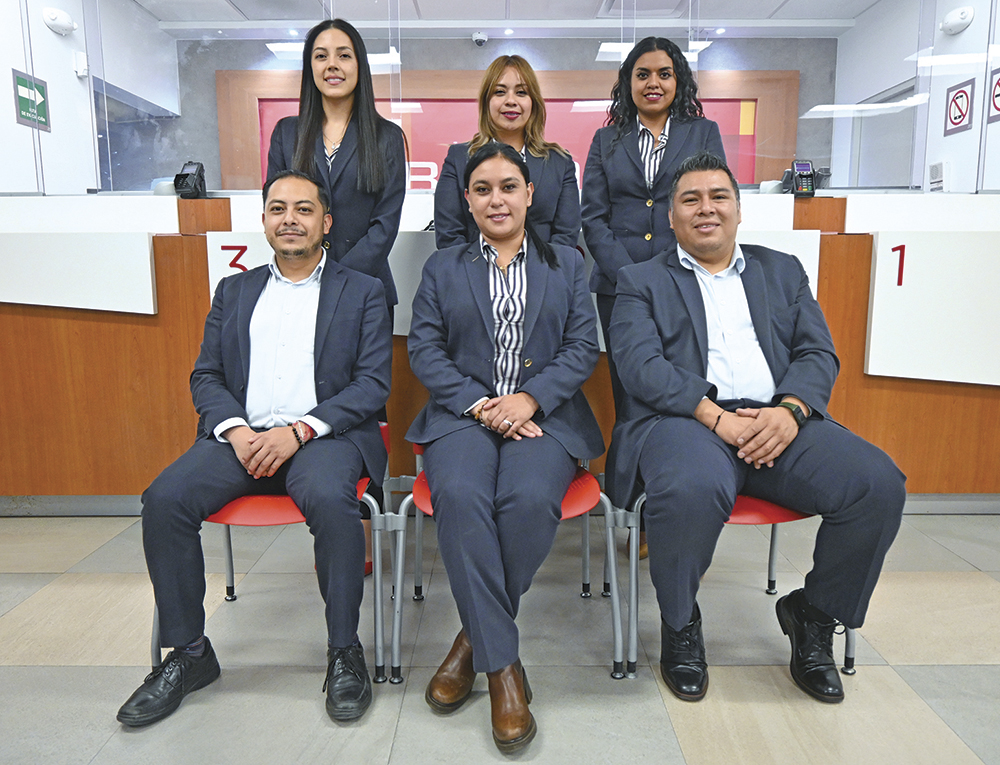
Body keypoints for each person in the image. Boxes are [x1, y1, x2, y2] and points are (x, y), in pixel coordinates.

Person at [606, 151, 906, 705]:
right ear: (671, 216)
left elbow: (817, 351)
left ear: (739, 210)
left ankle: (813, 615)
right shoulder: (639, 280)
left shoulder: (782, 270)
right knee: (689, 488)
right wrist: (715, 417)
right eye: (690, 199)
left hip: (777, 420)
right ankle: (680, 623)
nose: (706, 209)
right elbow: (639, 365)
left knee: (878, 485)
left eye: (718, 197)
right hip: (687, 421)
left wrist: (790, 411)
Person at [116, 170, 392, 727]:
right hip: (240, 439)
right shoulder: (234, 291)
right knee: (164, 500)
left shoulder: (362, 291)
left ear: (326, 222)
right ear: (264, 220)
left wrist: (300, 431)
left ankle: (344, 650)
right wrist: (237, 431)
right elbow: (207, 375)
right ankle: (190, 654)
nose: (290, 219)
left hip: (323, 438)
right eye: (278, 208)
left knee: (332, 501)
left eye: (304, 209)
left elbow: (372, 384)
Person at [407, 143, 603, 752]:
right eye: (483, 189)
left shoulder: (567, 264)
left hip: (545, 417)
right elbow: (424, 350)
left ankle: (471, 644)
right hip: (462, 415)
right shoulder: (443, 267)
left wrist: (530, 399)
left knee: (527, 501)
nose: (497, 199)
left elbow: (582, 346)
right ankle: (504, 671)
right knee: (462, 496)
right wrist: (482, 404)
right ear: (466, 200)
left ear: (529, 194)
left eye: (508, 186)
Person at [267, 18, 406, 571]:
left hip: (366, 291)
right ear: (310, 67)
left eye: (344, 54)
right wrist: (312, 276)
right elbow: (281, 205)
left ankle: (365, 524)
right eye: (321, 55)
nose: (332, 65)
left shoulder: (386, 136)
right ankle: (322, 509)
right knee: (307, 390)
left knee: (366, 404)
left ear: (359, 66)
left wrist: (337, 280)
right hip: (297, 290)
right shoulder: (287, 133)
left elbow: (386, 223)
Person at [582, 36, 725, 419]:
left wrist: (667, 272)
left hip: (685, 279)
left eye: (664, 74)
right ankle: (629, 457)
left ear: (679, 80)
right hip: (617, 285)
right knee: (628, 385)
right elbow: (593, 217)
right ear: (629, 81)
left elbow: (711, 207)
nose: (653, 83)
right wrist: (630, 276)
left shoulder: (702, 133)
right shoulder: (606, 140)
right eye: (642, 74)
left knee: (685, 385)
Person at [434, 55, 581, 250]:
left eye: (521, 92)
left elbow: (566, 236)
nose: (511, 101)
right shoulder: (459, 158)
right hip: (473, 268)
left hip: (545, 267)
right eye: (500, 92)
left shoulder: (559, 162)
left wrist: (533, 268)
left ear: (533, 102)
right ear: (487, 101)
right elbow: (449, 236)